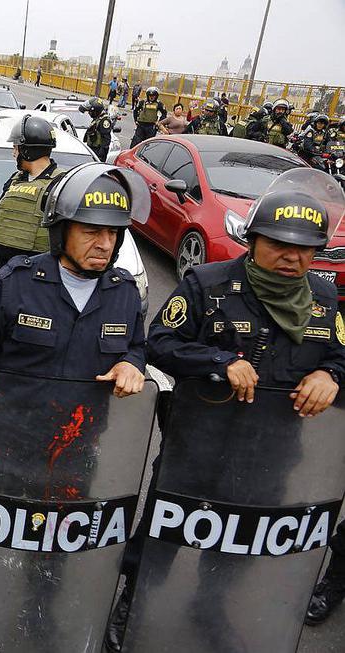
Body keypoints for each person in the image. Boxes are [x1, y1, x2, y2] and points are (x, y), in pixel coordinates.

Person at [105, 170, 345, 652]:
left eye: (305, 248)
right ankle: (133, 603)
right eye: (279, 244)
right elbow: (159, 343)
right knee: (164, 533)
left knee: (245, 540)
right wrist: (220, 360)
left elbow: (339, 353)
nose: (292, 257)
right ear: (253, 241)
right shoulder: (207, 284)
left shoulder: (321, 297)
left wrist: (331, 375)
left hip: (273, 450)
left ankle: (209, 605)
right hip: (199, 445)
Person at [0, 162, 151, 472]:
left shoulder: (123, 293)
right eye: (91, 231)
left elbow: (136, 345)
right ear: (61, 230)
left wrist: (131, 362)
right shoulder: (14, 284)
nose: (105, 244)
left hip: (73, 458)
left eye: (113, 232)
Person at [0, 115, 65, 290]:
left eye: (16, 147)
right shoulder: (15, 179)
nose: (13, 153)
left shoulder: (60, 185)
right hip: (1, 270)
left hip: (35, 278)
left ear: (27, 151)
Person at [81, 97, 113, 161]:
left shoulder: (104, 121)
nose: (89, 113)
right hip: (92, 149)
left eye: (90, 111)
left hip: (98, 152)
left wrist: (100, 155)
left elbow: (106, 140)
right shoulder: (97, 119)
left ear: (96, 111)